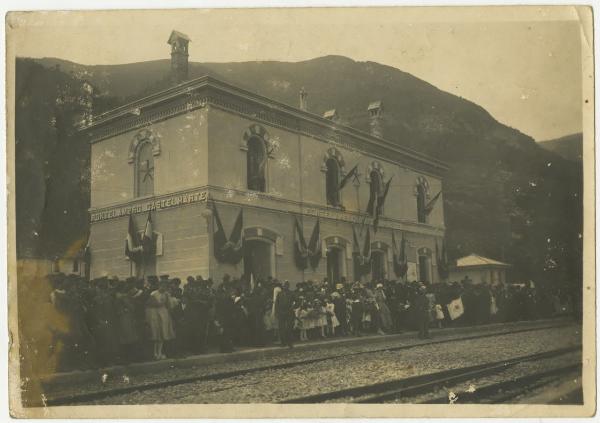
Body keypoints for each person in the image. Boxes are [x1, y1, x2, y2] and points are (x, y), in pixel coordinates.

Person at [145, 278, 176, 360]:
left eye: (165, 286)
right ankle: (155, 353)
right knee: (156, 334)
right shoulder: (154, 293)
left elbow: (169, 305)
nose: (163, 288)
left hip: (163, 314)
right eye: (162, 286)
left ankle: (160, 352)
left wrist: (169, 302)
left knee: (162, 334)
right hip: (155, 314)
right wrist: (158, 304)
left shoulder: (166, 294)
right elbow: (150, 304)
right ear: (159, 286)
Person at [274, 281, 295, 348]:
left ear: (288, 286)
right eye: (284, 285)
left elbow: (297, 301)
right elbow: (276, 304)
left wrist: (293, 307)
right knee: (281, 328)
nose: (285, 286)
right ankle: (283, 343)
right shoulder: (279, 294)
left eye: (286, 285)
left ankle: (290, 343)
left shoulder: (292, 293)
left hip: (289, 312)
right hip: (281, 313)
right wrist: (276, 312)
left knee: (289, 328)